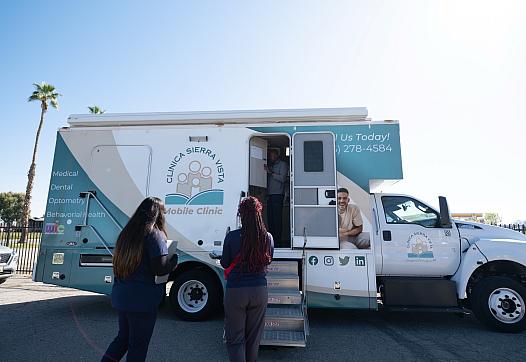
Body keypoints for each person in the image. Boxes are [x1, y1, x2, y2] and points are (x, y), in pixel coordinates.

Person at [101, 197, 178, 362]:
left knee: (122, 339)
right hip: (142, 300)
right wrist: (173, 262)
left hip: (123, 296)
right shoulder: (154, 234)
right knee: (138, 346)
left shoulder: (126, 234)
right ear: (158, 214)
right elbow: (159, 268)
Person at [221, 196, 274, 362]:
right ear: (259, 214)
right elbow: (269, 259)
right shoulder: (268, 237)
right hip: (259, 290)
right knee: (253, 339)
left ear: (241, 215)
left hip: (236, 290)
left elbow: (225, 263)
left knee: (235, 339)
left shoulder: (232, 236)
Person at [264, 149, 287, 243]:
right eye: (270, 155)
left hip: (278, 195)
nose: (271, 157)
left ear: (277, 155)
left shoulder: (283, 164)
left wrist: (271, 173)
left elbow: (283, 178)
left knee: (277, 219)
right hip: (269, 195)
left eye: (272, 155)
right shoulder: (270, 165)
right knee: (270, 218)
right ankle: (271, 240)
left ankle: (277, 240)